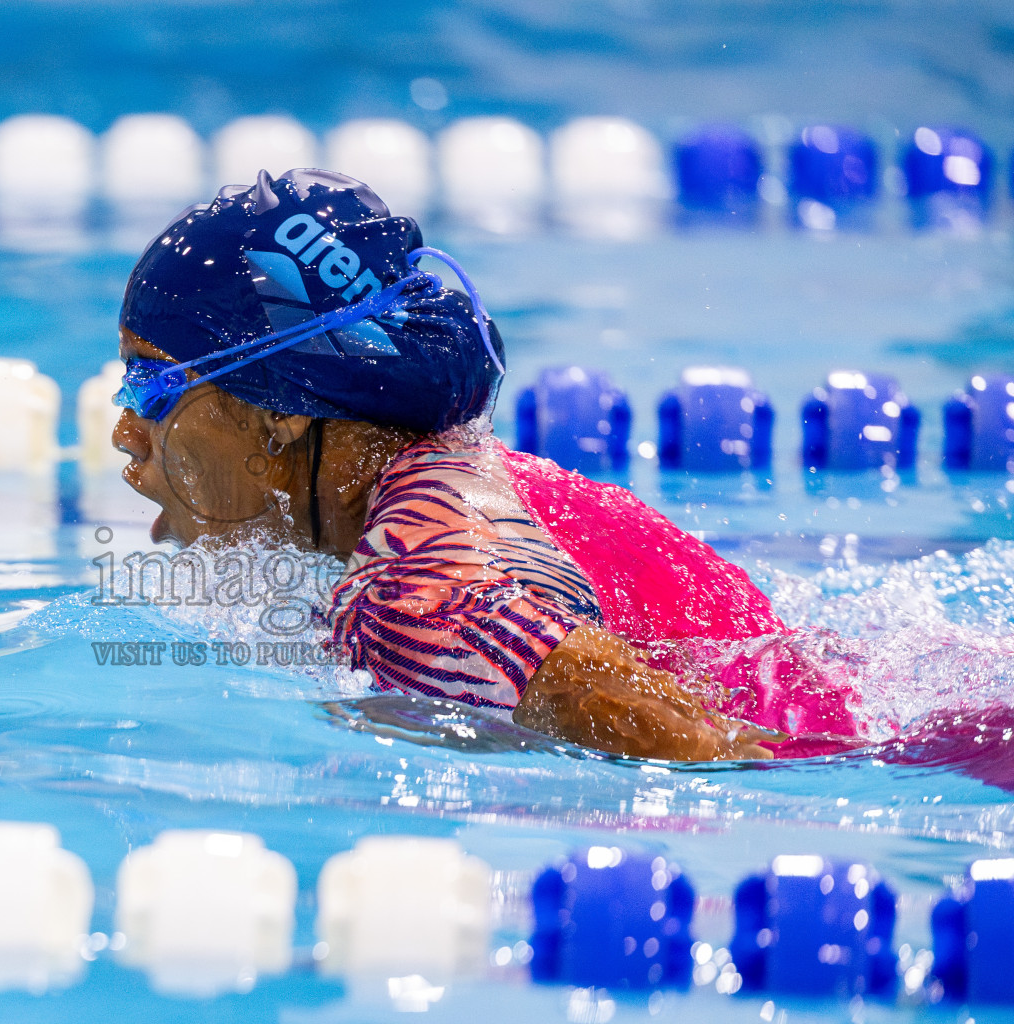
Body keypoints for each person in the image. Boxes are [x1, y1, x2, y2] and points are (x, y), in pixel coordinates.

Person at [110, 168, 862, 762]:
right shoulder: (454, 480)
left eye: (150, 385)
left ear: (281, 408)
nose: (124, 431)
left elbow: (708, 751)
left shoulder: (409, 591)